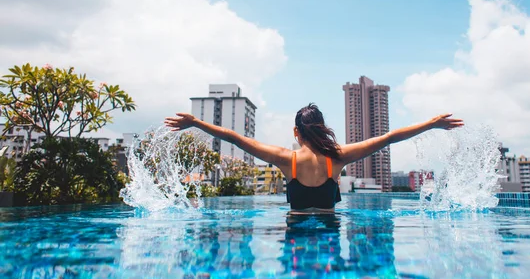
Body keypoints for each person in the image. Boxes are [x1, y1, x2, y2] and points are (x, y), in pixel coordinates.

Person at [164, 103, 463, 211]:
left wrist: (195, 123)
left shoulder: (285, 158)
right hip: (331, 230)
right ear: (321, 128)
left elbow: (235, 138)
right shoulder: (339, 157)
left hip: (295, 230)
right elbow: (388, 137)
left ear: (297, 133)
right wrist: (431, 123)